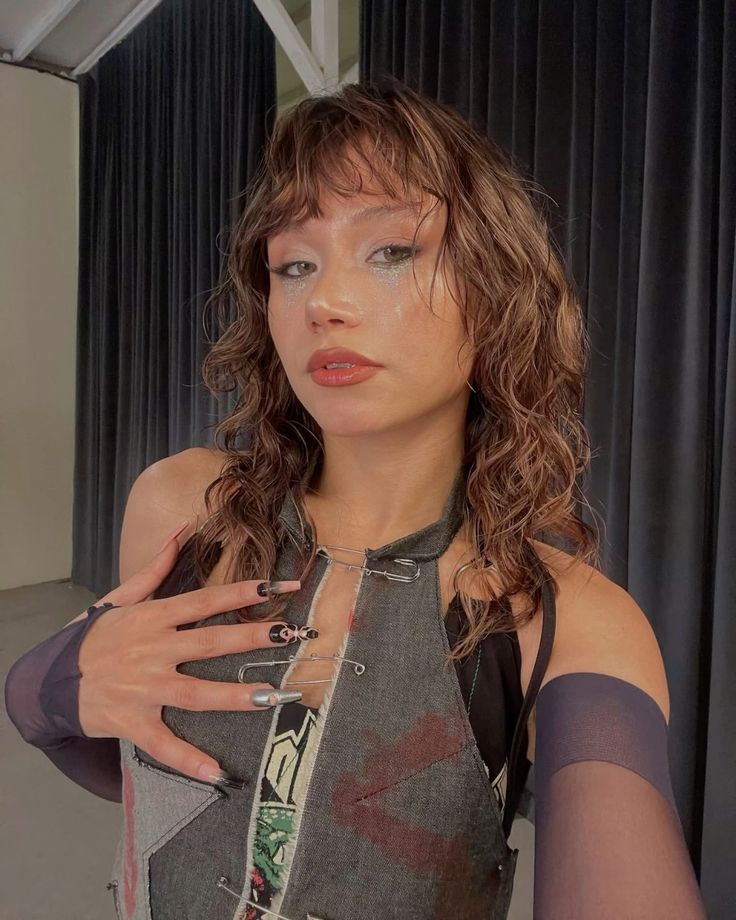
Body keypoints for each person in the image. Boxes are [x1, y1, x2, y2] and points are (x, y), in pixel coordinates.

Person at [4, 80, 707, 920]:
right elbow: (138, 771)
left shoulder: (564, 619)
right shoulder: (185, 508)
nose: (325, 303)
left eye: (392, 251)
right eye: (294, 266)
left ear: (494, 293)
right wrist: (48, 685)